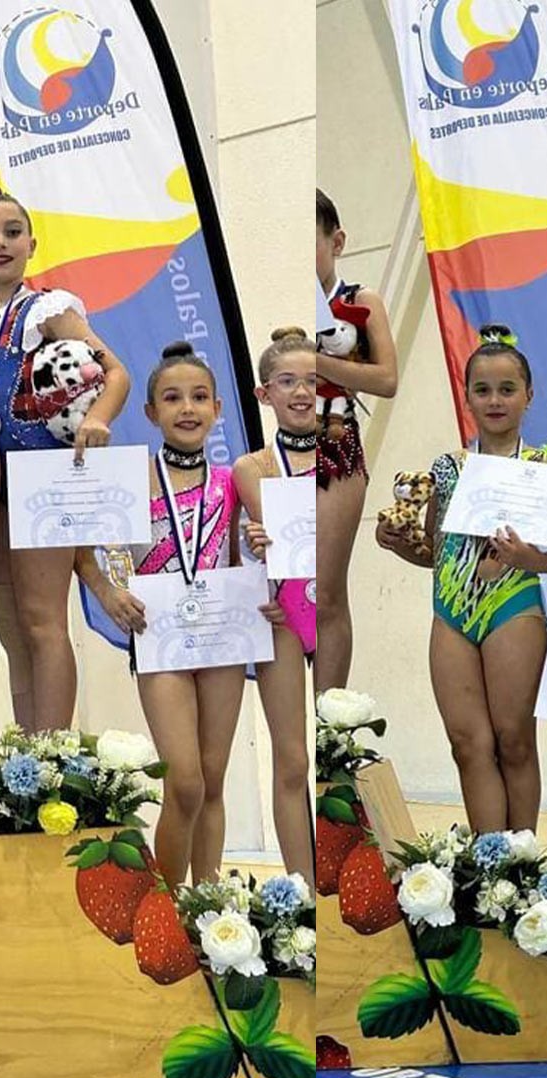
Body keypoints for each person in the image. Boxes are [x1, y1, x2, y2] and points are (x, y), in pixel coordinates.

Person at [376, 326, 547, 834]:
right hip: (451, 612)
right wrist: (399, 545)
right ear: (467, 396)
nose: (495, 400)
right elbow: (437, 552)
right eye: (483, 390)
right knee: (468, 744)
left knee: (513, 737)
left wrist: (529, 560)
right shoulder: (448, 467)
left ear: (528, 396)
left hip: (514, 606)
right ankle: (489, 858)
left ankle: (523, 856)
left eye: (507, 389)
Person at [80, 343, 278, 885]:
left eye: (198, 398)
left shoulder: (233, 481)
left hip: (222, 636)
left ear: (218, 408)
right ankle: (167, 900)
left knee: (213, 779)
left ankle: (207, 897)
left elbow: (247, 553)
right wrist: (107, 591)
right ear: (151, 413)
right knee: (184, 781)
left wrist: (264, 551)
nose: (186, 408)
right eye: (172, 398)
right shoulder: (133, 476)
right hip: (160, 637)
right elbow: (81, 543)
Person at [0, 183, 129, 732]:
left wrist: (97, 419)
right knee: (11, 628)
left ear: (31, 244)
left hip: (45, 479)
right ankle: (29, 750)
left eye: (11, 233)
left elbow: (115, 373)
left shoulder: (47, 312)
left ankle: (56, 750)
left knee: (43, 622)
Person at [234, 326, 316, 877]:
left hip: (330, 611)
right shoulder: (251, 468)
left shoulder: (343, 456)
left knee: (341, 750)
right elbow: (257, 543)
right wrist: (252, 543)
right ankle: (305, 888)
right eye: (287, 382)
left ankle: (342, 886)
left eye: (312, 380)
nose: (301, 392)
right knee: (292, 759)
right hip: (281, 615)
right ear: (265, 394)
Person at [314, 189, 399, 690]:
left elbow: (386, 379)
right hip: (280, 451)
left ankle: (329, 720)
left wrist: (320, 363)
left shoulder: (360, 301)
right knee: (289, 596)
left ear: (336, 240)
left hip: (335, 446)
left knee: (326, 591)